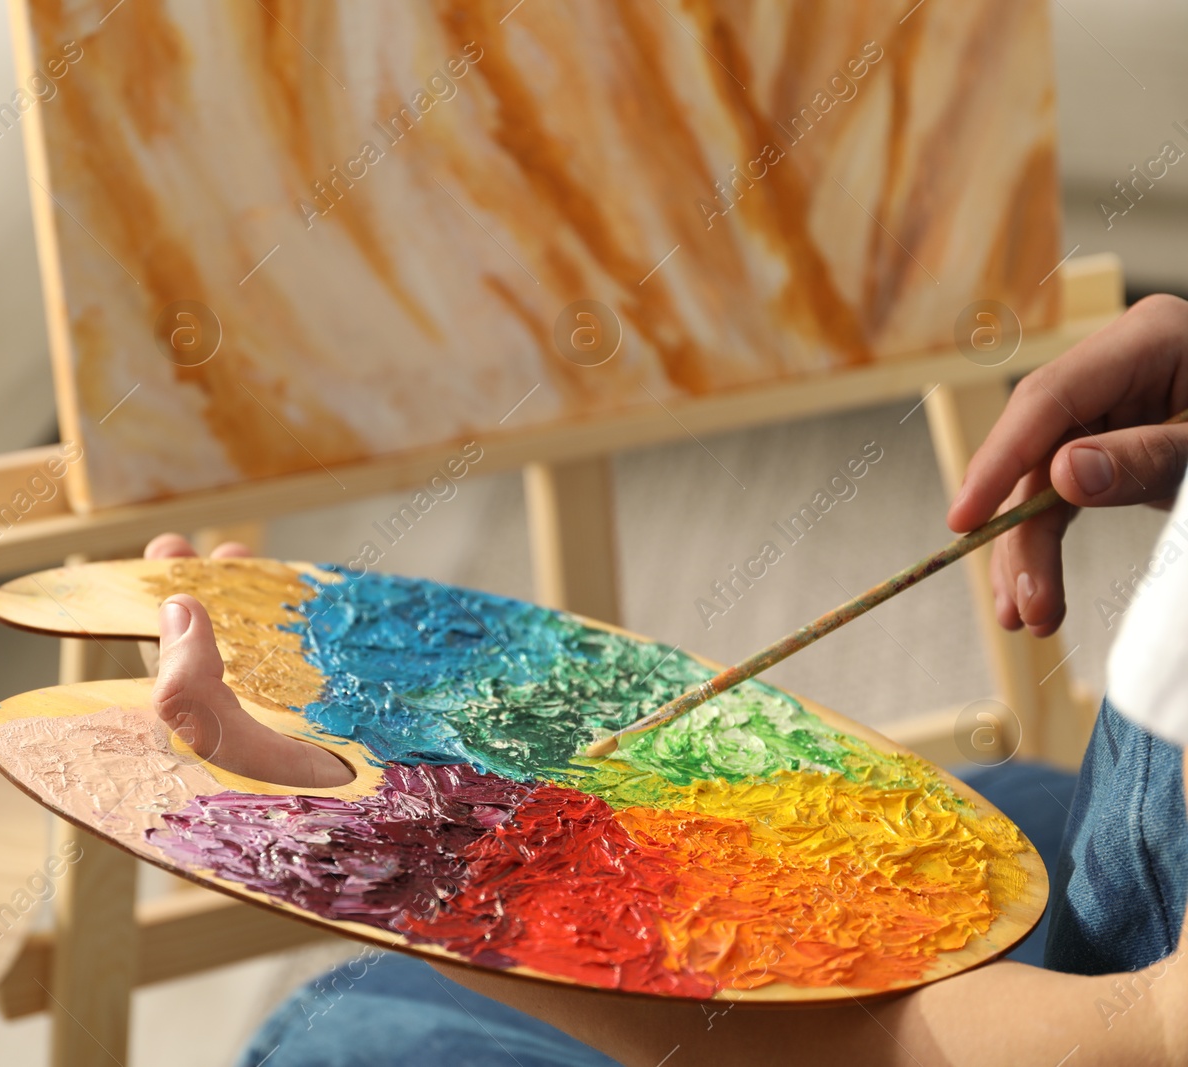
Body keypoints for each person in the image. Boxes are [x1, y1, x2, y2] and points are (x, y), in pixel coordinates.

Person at [146, 293, 1188, 1066]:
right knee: (982, 826)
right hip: (1133, 848)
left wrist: (399, 863)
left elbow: (1123, 1037)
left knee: (337, 1038)